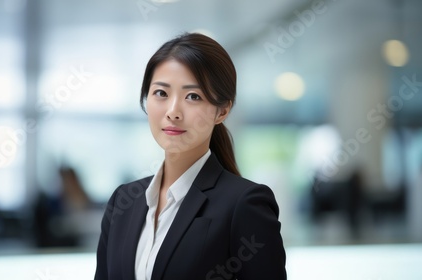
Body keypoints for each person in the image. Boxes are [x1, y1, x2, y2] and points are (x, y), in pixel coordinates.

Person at [95, 32, 286, 280]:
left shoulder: (244, 204)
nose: (173, 112)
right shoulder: (123, 202)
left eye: (193, 96)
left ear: (222, 111)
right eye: (161, 93)